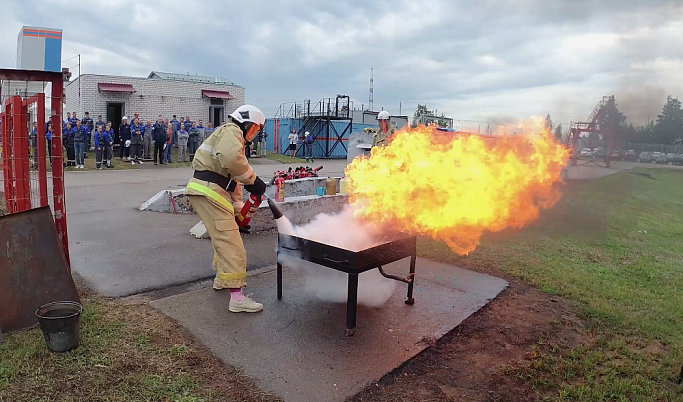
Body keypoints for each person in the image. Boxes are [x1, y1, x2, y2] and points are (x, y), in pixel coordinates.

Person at [184, 104, 267, 312]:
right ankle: (237, 298)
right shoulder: (232, 131)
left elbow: (233, 182)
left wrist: (240, 216)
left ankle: (222, 279)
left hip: (209, 190)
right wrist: (253, 180)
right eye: (254, 129)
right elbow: (232, 160)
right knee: (232, 243)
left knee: (224, 237)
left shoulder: (228, 135)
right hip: (210, 190)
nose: (253, 135)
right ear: (245, 122)